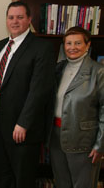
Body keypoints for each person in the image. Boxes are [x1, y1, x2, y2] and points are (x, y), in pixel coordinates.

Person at [0, 1, 56, 188]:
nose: (14, 21)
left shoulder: (42, 48)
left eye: (20, 17)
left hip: (22, 128)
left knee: (23, 179)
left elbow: (39, 90)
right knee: (3, 176)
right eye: (11, 17)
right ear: (6, 20)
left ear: (29, 19)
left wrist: (24, 123)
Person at [50, 26, 104, 188]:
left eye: (78, 43)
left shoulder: (98, 71)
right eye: (68, 43)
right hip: (56, 138)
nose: (72, 47)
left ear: (88, 45)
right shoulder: (58, 69)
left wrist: (100, 144)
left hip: (84, 140)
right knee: (61, 183)